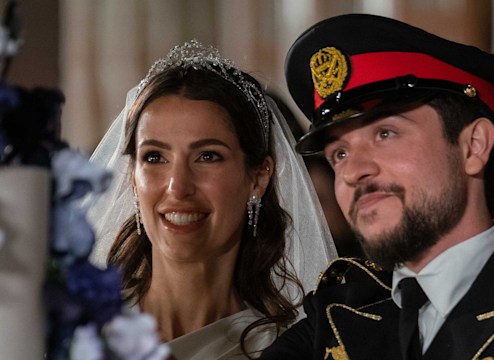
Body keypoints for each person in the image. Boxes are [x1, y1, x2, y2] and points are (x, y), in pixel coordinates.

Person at [260, 14, 494, 359]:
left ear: (473, 147)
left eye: (385, 133)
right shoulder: (338, 313)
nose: (352, 171)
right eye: (338, 153)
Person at [86, 40, 337, 360]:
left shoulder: (290, 349)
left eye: (207, 156)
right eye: (154, 157)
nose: (178, 187)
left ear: (259, 177)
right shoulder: (72, 329)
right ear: (132, 177)